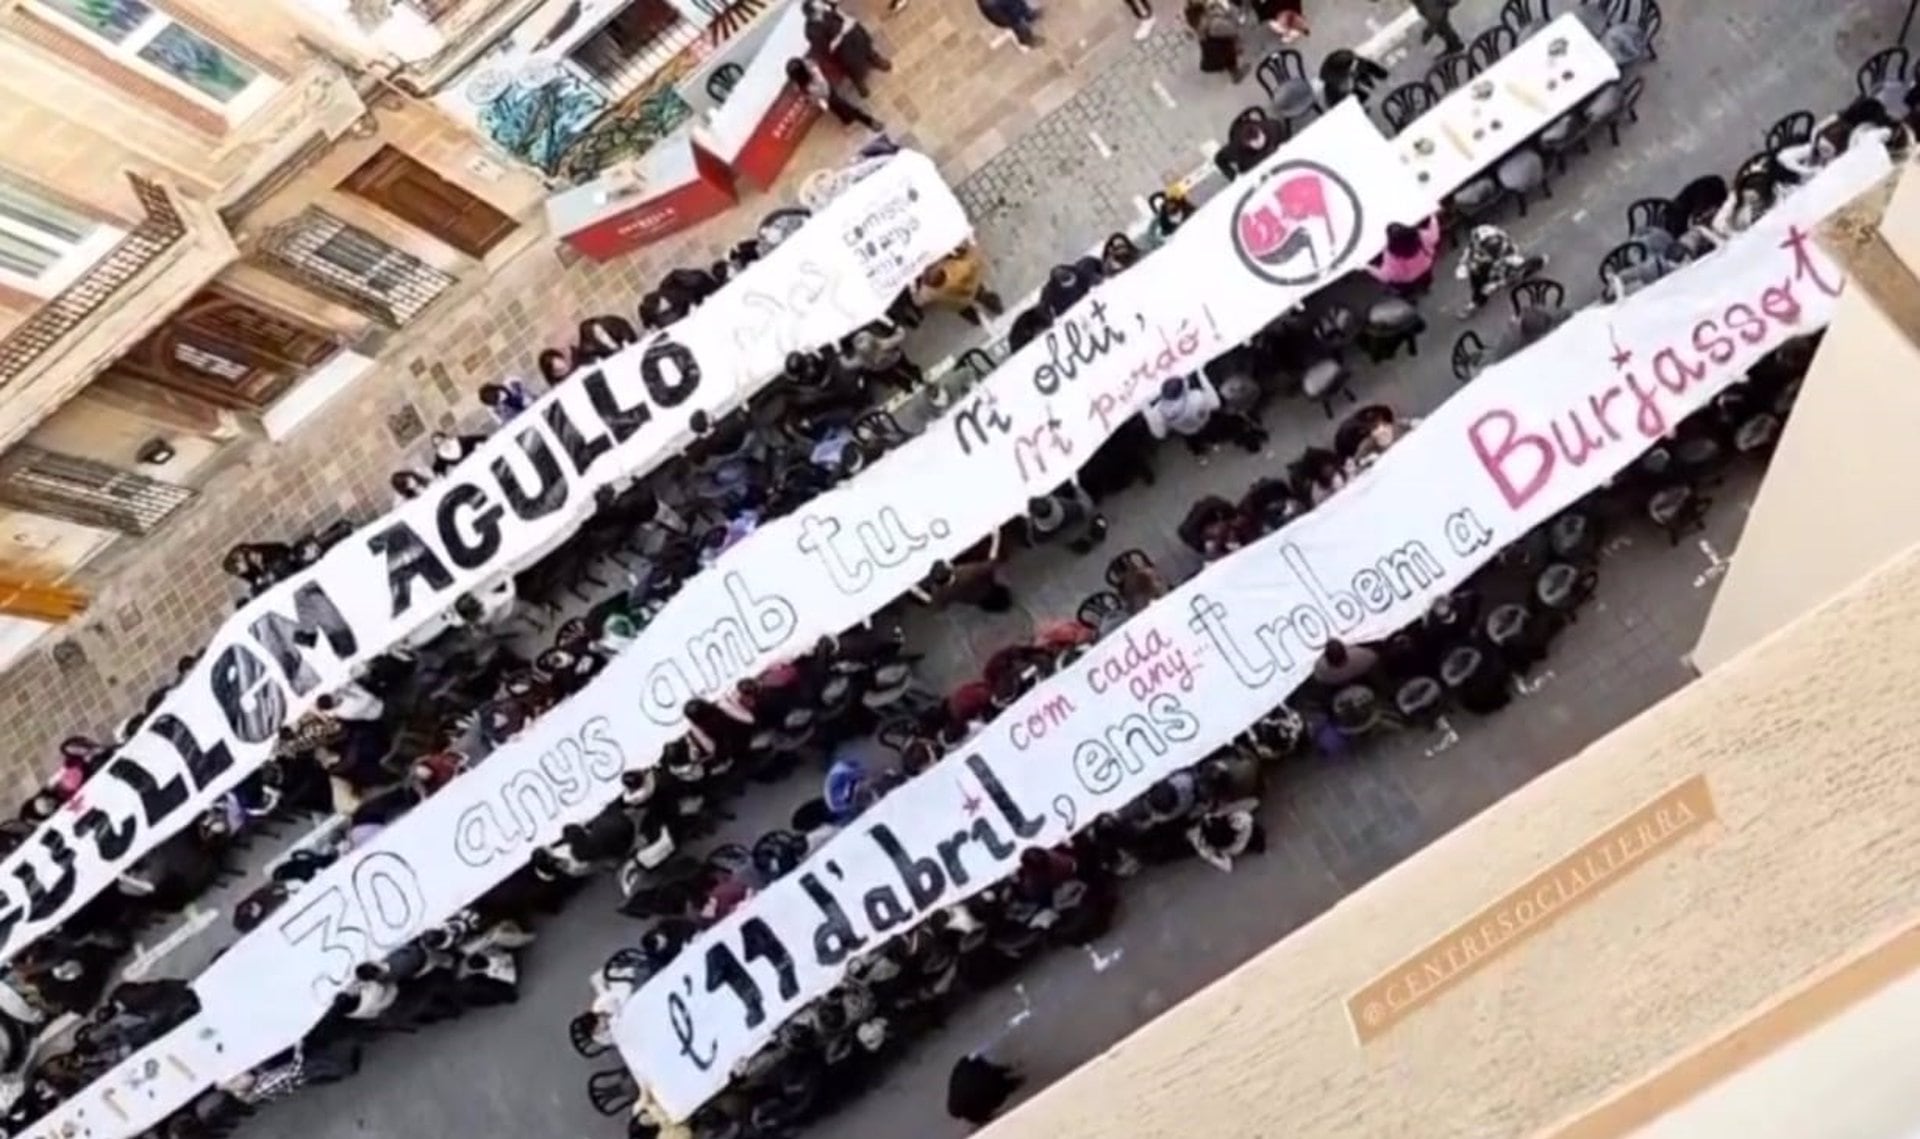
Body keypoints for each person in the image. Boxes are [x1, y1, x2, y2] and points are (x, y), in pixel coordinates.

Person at [804, 0, 892, 94]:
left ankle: (873, 57)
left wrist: (848, 21)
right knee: (849, 62)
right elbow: (827, 49)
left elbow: (840, 13)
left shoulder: (827, 9)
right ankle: (858, 81)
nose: (822, 5)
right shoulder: (812, 31)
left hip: (850, 32)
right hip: (840, 47)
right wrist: (842, 34)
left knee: (861, 38)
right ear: (814, 13)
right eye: (819, 5)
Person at [1455, 224, 1544, 315]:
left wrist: (1497, 283)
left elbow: (1509, 258)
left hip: (1506, 261)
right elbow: (1469, 252)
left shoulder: (1504, 246)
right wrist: (1463, 264)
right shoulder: (1477, 241)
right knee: (1476, 273)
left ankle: (1537, 262)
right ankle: (1477, 300)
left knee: (1518, 270)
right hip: (1488, 260)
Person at [786, 57, 884, 132]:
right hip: (821, 97)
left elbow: (824, 89)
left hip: (827, 92)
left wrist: (814, 94)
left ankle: (869, 121)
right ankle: (846, 119)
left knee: (846, 107)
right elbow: (803, 92)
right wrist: (810, 96)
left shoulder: (812, 71)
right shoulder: (800, 82)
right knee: (835, 109)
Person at [914, 244, 1006, 324]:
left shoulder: (928, 291)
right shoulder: (955, 267)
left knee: (966, 309)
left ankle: (978, 318)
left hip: (960, 301)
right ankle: (986, 313)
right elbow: (974, 254)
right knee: (975, 300)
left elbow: (918, 301)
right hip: (968, 290)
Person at [1142, 374, 1223, 457]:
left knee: (1193, 443)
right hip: (1203, 422)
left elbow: (1160, 434)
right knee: (1208, 434)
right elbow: (1215, 404)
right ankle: (1213, 444)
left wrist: (1144, 405)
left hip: (1186, 431)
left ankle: (1200, 455)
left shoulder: (1160, 410)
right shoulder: (1196, 397)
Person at [947, 1050, 1024, 1126]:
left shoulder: (964, 1066)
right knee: (998, 1084)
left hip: (976, 1104)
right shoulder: (972, 1067)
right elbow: (993, 1073)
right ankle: (1014, 1082)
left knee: (993, 1085)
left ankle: (1013, 1082)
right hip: (983, 1092)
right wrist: (1009, 1068)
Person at [1368, 217, 1442, 295]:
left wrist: (1368, 267)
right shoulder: (1420, 236)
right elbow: (1435, 236)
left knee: (1399, 284)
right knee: (1426, 278)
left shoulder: (1391, 256)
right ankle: (1426, 287)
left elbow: (1385, 276)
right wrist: (1433, 218)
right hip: (1425, 266)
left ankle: (1409, 293)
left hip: (1408, 278)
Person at [1184, 0, 1246, 82]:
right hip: (1225, 52)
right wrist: (1231, 9)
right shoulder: (1213, 25)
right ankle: (1235, 71)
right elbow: (1234, 28)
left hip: (1219, 57)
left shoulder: (1202, 29)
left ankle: (1234, 71)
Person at [1319, 47, 1387, 104]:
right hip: (1343, 96)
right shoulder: (1335, 86)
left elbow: (1370, 66)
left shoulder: (1355, 61)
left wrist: (1381, 74)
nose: (1356, 63)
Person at [1312, 638, 1379, 688]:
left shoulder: (1321, 669)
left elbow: (1318, 678)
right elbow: (1374, 656)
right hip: (1364, 680)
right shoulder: (1360, 655)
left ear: (1326, 657)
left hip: (1336, 687)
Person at [977, 0, 1042, 49]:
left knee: (1020, 6)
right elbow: (1000, 18)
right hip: (1007, 15)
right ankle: (1026, 40)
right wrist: (1012, 22)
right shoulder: (989, 3)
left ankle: (1028, 15)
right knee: (1019, 25)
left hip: (1012, 5)